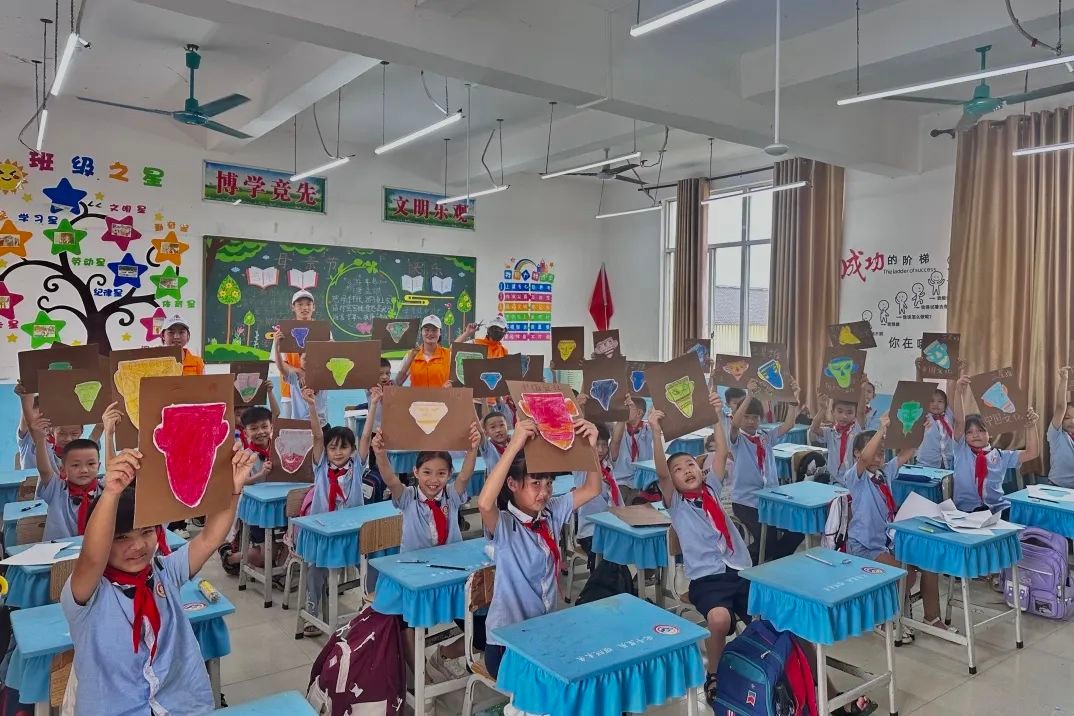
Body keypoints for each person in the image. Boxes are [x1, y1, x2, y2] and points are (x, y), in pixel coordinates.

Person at [62, 445, 257, 716]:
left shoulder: (163, 571)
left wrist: (232, 489)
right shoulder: (87, 592)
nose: (138, 546)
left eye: (146, 532)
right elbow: (93, 559)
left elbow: (209, 538)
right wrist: (111, 492)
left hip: (179, 706)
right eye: (121, 538)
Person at [477, 418, 603, 680]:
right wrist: (515, 444)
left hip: (544, 632)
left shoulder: (551, 512)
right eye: (535, 484)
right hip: (507, 645)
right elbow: (485, 503)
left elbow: (592, 488)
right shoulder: (505, 524)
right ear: (512, 484)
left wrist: (590, 447)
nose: (544, 493)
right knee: (554, 684)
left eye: (548, 484)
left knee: (586, 669)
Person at [648, 396, 750, 703]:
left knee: (767, 615)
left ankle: (761, 665)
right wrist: (655, 432)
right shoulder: (676, 504)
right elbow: (661, 473)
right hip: (706, 579)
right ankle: (714, 672)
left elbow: (722, 451)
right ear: (673, 481)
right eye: (678, 469)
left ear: (701, 470)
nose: (686, 470)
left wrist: (716, 415)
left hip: (739, 570)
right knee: (719, 620)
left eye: (691, 464)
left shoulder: (712, 489)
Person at [372, 423, 481, 678]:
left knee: (480, 625)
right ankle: (419, 675)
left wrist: (473, 449)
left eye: (441, 473)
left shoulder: (451, 496)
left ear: (449, 474)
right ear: (415, 472)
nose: (434, 480)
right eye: (427, 472)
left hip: (451, 574)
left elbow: (465, 476)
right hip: (414, 576)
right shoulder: (408, 497)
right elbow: (390, 478)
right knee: (405, 621)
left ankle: (444, 655)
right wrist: (379, 454)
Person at [845, 419, 952, 636]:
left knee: (929, 563)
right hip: (865, 547)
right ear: (856, 453)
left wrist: (920, 430)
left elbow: (907, 453)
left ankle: (931, 617)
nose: (878, 457)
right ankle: (887, 619)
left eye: (881, 453)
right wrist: (882, 429)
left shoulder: (884, 473)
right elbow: (866, 458)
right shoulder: (855, 477)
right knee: (904, 574)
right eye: (874, 452)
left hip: (890, 542)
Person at [301, 386, 365, 635]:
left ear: (352, 450)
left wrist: (373, 403)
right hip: (322, 532)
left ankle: (369, 606)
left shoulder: (356, 466)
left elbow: (366, 436)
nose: (338, 453)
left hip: (352, 532)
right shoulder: (320, 467)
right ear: (326, 451)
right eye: (333, 448)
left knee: (369, 564)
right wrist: (311, 405)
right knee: (316, 569)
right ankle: (313, 609)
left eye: (344, 448)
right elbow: (317, 436)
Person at [729, 378, 803, 563]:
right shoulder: (737, 440)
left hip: (770, 498)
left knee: (798, 529)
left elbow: (788, 425)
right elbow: (735, 425)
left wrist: (793, 400)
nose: (751, 421)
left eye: (755, 417)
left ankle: (774, 560)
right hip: (746, 501)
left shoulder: (765, 436)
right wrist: (749, 395)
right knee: (767, 538)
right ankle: (742, 565)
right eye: (746, 416)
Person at [952, 374, 1040, 513]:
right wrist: (959, 392)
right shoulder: (961, 450)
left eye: (981, 430)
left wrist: (1031, 426)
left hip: (998, 509)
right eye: (969, 432)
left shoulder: (1001, 455)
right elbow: (959, 422)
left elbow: (1032, 453)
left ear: (990, 433)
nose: (975, 435)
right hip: (966, 511)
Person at [219, 405, 278, 575]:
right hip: (256, 510)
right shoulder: (245, 455)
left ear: (271, 427)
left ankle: (278, 571)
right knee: (265, 556)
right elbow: (241, 483)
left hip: (278, 505)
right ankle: (230, 559)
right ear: (245, 433)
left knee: (286, 544)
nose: (260, 432)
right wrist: (260, 474)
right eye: (254, 428)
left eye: (264, 426)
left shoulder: (279, 450)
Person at [30, 409, 103, 540]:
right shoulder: (57, 489)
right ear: (62, 470)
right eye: (75, 465)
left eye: (91, 464)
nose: (84, 470)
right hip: (59, 552)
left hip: (94, 549)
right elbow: (45, 470)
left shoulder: (103, 489)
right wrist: (40, 439)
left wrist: (108, 433)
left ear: (98, 466)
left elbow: (111, 465)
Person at [573, 423, 623, 570]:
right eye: (597, 445)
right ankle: (599, 582)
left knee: (620, 556)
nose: (601, 450)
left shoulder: (607, 467)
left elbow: (616, 441)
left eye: (604, 445)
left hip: (610, 526)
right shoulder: (582, 466)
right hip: (590, 531)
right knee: (605, 560)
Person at [810, 388, 868, 484]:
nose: (844, 416)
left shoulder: (857, 430)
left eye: (849, 412)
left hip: (854, 481)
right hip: (834, 480)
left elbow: (861, 412)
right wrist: (823, 409)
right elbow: (814, 428)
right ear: (833, 412)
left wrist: (862, 388)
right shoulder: (831, 432)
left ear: (855, 414)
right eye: (840, 411)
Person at [274, 334, 328, 427]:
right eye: (305, 359)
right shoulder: (295, 376)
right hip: (300, 424)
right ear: (300, 360)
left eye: (311, 358)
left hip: (321, 424)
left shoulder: (324, 375)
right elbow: (281, 367)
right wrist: (276, 347)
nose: (308, 361)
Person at [279, 289, 317, 413]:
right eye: (300, 304)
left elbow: (328, 356)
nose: (304, 308)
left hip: (316, 390)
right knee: (290, 423)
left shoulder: (322, 330)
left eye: (308, 304)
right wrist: (299, 372)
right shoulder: (284, 331)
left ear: (314, 307)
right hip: (290, 390)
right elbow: (280, 362)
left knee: (317, 422)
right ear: (293, 307)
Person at [609, 396, 653, 498]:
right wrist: (622, 417)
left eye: (628, 407)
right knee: (621, 498)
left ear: (639, 413)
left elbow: (656, 420)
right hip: (622, 480)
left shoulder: (647, 429)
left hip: (643, 481)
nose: (625, 410)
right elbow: (615, 441)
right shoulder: (620, 428)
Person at [396, 315, 451, 388]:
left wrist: (450, 386)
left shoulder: (448, 355)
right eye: (427, 330)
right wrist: (411, 358)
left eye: (434, 330)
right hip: (417, 396)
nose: (430, 333)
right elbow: (398, 382)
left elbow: (457, 382)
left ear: (440, 333)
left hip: (442, 395)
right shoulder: (411, 354)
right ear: (421, 332)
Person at [1047, 366, 1074, 488]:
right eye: (1067, 418)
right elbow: (1060, 407)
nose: (1072, 421)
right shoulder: (1056, 435)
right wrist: (1064, 379)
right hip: (1057, 487)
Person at [918, 388, 955, 469]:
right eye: (931, 401)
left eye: (940, 401)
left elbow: (952, 391)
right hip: (926, 463)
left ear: (945, 404)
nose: (935, 404)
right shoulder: (924, 417)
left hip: (948, 463)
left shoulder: (949, 416)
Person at [14, 382, 40, 470]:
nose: (41, 420)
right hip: (30, 477)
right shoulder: (26, 437)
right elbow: (27, 417)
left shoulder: (55, 435)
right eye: (38, 416)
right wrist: (25, 395)